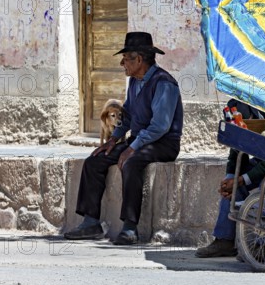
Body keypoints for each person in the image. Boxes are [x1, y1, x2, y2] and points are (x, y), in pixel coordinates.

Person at [64, 31, 183, 246]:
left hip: (164, 143)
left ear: (139, 59)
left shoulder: (164, 83)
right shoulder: (135, 82)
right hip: (140, 140)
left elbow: (160, 126)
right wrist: (114, 140)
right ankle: (90, 221)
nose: (122, 63)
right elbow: (127, 115)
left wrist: (132, 147)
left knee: (131, 162)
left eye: (126, 58)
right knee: (95, 160)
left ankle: (130, 227)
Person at [195, 102, 265, 258]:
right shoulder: (236, 121)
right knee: (231, 182)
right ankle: (224, 240)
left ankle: (262, 243)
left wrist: (242, 180)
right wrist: (231, 179)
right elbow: (236, 151)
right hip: (263, 163)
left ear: (250, 116)